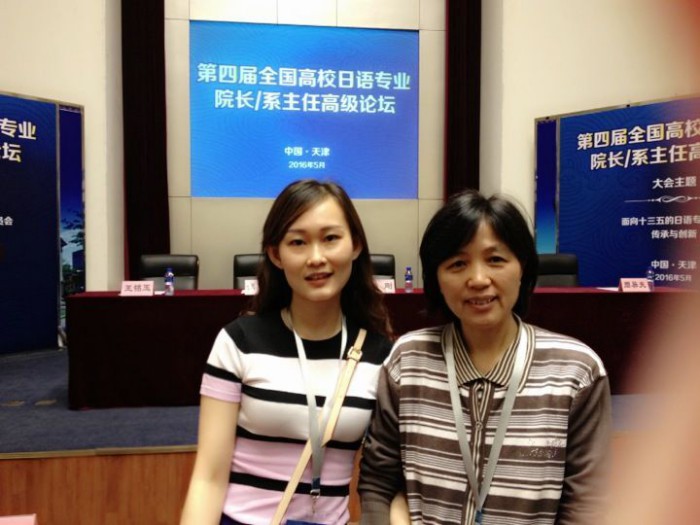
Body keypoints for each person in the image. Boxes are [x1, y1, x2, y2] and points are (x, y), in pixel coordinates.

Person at [358, 189, 612, 525]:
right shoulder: (408, 361)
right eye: (458, 264)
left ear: (523, 267)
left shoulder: (576, 372)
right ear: (436, 276)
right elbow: (378, 481)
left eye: (495, 260)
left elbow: (586, 506)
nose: (478, 280)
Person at [180, 179, 393, 525]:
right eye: (298, 242)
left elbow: (385, 476)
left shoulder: (380, 354)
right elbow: (208, 477)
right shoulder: (239, 342)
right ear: (276, 254)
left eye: (330, 238)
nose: (316, 257)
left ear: (355, 245)